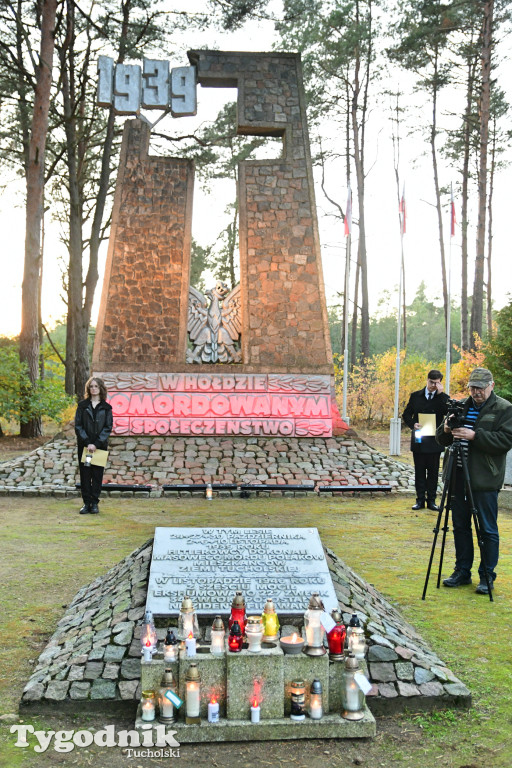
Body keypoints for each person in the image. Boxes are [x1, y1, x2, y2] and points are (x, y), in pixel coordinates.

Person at [436, 367, 512, 594]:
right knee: (460, 525)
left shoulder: (504, 409)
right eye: (472, 387)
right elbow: (441, 438)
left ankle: (487, 576)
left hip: (484, 479)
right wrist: (447, 428)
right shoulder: (460, 406)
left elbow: (505, 440)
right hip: (457, 476)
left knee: (487, 529)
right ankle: (462, 571)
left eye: (480, 387)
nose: (476, 392)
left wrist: (475, 436)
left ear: (492, 385)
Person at [402, 369, 449, 511]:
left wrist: (441, 395)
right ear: (427, 380)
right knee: (420, 471)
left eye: (437, 383)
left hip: (435, 439)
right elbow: (406, 414)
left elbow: (448, 412)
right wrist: (412, 425)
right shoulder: (416, 396)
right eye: (431, 382)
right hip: (420, 437)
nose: (434, 386)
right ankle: (420, 500)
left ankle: (432, 501)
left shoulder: (443, 397)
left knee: (434, 472)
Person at [74, 377, 113, 515]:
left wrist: (96, 444)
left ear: (100, 388)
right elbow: (78, 426)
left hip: (99, 447)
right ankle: (86, 503)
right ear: (88, 389)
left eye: (96, 386)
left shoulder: (106, 408)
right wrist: (87, 443)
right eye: (91, 386)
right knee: (85, 474)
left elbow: (108, 428)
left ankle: (95, 503)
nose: (93, 388)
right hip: (85, 448)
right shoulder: (82, 406)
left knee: (97, 474)